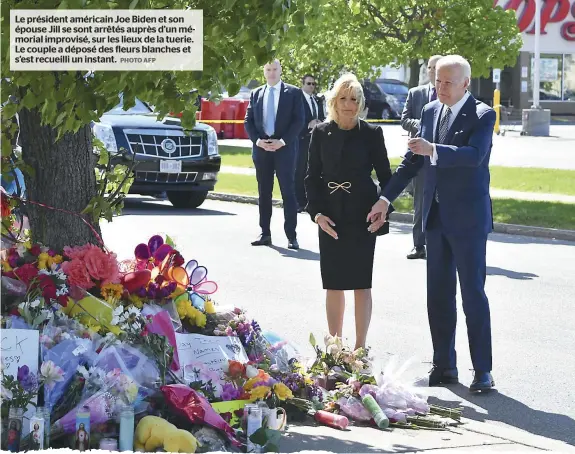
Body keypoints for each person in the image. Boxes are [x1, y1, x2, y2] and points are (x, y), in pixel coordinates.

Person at [368, 55, 496, 392]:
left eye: (449, 82)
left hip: (468, 221)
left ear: (466, 83)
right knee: (438, 296)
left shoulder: (483, 114)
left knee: (472, 295)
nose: (441, 87)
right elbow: (412, 161)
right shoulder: (429, 112)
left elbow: (474, 156)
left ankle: (483, 370)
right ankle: (444, 365)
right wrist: (385, 199)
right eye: (438, 81)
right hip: (435, 219)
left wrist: (434, 149)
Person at [305, 73, 393, 350]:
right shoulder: (320, 133)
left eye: (354, 99)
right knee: (333, 283)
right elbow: (311, 178)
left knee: (360, 282)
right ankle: (335, 347)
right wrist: (317, 214)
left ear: (361, 103)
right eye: (343, 98)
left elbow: (387, 177)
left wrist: (384, 207)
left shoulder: (371, 134)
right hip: (330, 216)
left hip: (362, 215)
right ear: (333, 101)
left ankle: (360, 348)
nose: (348, 104)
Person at [244, 59, 305, 250]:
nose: (271, 73)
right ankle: (265, 233)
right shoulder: (256, 93)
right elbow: (249, 121)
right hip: (262, 149)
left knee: (288, 192)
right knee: (264, 192)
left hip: (284, 150)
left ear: (281, 70)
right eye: (268, 69)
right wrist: (258, 141)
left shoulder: (293, 93)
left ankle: (291, 236)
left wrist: (282, 141)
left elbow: (299, 121)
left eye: (275, 69)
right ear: (264, 72)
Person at [401, 55, 443, 260]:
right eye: (431, 67)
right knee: (420, 202)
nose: (434, 71)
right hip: (419, 157)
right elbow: (404, 119)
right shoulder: (416, 93)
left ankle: (440, 244)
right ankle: (418, 245)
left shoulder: (449, 94)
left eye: (438, 67)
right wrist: (422, 124)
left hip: (441, 156)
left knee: (442, 201)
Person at [296, 74, 326, 212]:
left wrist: (320, 122)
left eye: (313, 84)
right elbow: (293, 121)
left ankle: (310, 201)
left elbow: (321, 116)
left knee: (313, 171)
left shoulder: (317, 100)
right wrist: (308, 125)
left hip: (315, 141)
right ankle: (298, 201)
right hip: (301, 140)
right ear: (302, 84)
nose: (311, 86)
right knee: (300, 171)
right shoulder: (297, 99)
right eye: (309, 84)